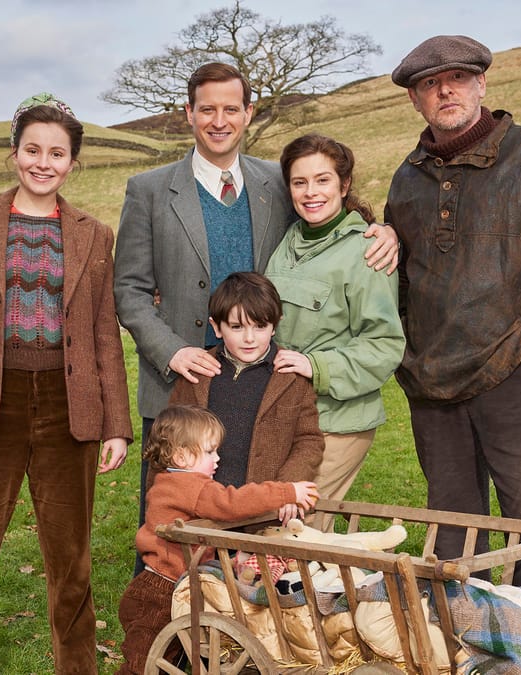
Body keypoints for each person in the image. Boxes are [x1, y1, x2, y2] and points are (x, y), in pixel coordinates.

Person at [113, 62, 397, 557]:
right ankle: (167, 622)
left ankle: (239, 621)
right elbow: (130, 291)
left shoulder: (276, 181)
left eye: (230, 108)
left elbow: (327, 222)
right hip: (186, 390)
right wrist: (172, 351)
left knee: (252, 526)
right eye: (207, 109)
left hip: (260, 389)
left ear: (248, 113)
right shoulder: (150, 190)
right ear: (189, 113)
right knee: (170, 531)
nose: (218, 120)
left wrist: (380, 229)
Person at [384, 36, 521, 601]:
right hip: (433, 382)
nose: (445, 91)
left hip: (516, 370)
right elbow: (403, 279)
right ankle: (472, 650)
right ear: (415, 99)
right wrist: (410, 353)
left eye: (457, 78)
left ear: (481, 84)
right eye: (429, 84)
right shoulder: (407, 180)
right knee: (454, 539)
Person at [0, 93, 132, 673]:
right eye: (32, 149)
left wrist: (116, 424)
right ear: (14, 154)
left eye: (57, 152)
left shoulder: (94, 233)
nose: (43, 162)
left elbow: (104, 333)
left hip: (69, 410)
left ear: (72, 162)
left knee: (72, 566)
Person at [264, 133, 406, 533]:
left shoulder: (367, 251)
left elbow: (384, 346)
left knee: (298, 533)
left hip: (338, 422)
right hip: (289, 416)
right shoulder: (288, 241)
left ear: (344, 185)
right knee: (279, 537)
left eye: (323, 180)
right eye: (299, 182)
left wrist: (314, 365)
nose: (311, 193)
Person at [116, 404, 318, 675]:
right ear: (182, 457)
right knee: (141, 665)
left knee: (169, 656)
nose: (217, 458)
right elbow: (231, 503)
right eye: (210, 451)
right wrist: (286, 491)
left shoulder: (171, 482)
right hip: (161, 591)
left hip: (169, 581)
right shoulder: (189, 487)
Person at [167, 271, 324, 525]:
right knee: (206, 566)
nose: (249, 338)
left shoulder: (290, 375)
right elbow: (171, 439)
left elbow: (308, 440)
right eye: (237, 327)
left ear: (275, 324)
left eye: (260, 326)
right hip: (202, 515)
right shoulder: (199, 372)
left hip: (266, 514)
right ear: (217, 327)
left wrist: (288, 488)